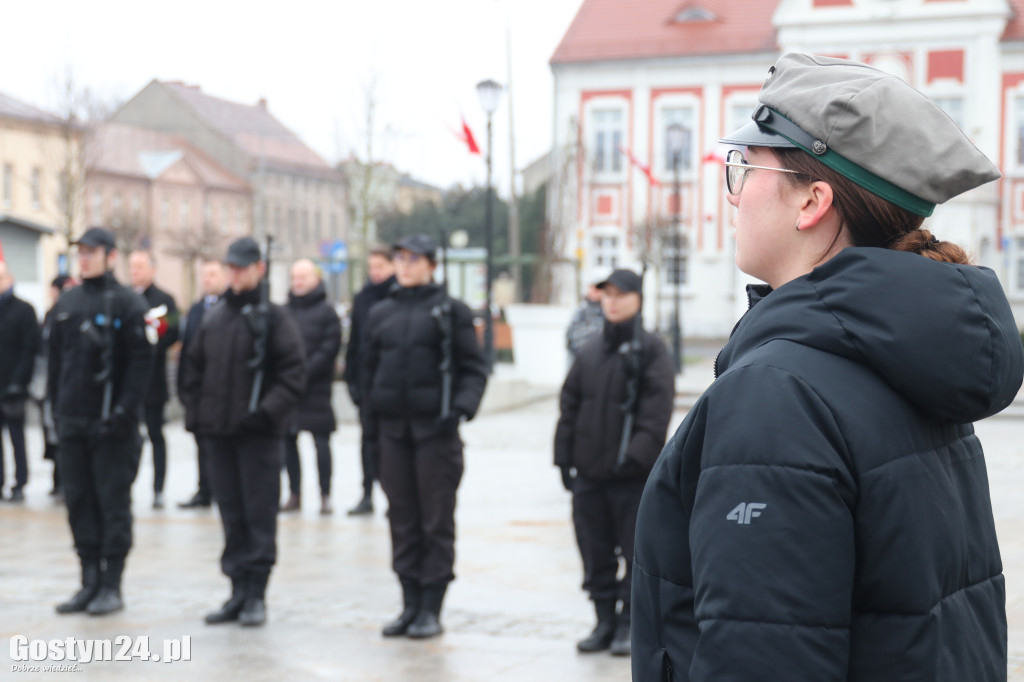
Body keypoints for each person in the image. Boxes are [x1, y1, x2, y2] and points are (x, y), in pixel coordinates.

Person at [631, 53, 1024, 682]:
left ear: (813, 200)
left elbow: (761, 657)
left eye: (746, 168)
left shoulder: (777, 392)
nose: (733, 194)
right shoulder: (906, 356)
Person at [365, 233, 487, 639]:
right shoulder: (382, 311)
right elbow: (364, 368)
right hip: (392, 432)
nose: (406, 265)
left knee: (434, 519)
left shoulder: (450, 311)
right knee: (401, 517)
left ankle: (431, 607)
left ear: (432, 265)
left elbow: (473, 368)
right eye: (400, 258)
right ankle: (409, 603)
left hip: (435, 432)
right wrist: (370, 410)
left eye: (414, 259)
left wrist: (459, 410)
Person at [180, 237, 306, 627]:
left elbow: (293, 374)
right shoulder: (216, 317)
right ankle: (236, 589)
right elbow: (193, 369)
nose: (235, 274)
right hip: (218, 434)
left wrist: (266, 413)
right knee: (231, 513)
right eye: (231, 267)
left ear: (258, 269)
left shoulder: (275, 317)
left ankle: (256, 594)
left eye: (242, 267)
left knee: (258, 514)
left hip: (258, 436)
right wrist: (196, 414)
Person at [554, 268, 674, 657]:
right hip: (589, 475)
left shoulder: (652, 350)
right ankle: (603, 619)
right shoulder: (589, 351)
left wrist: (634, 458)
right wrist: (563, 458)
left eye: (621, 294)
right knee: (594, 550)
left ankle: (627, 623)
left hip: (631, 479)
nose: (613, 301)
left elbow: (655, 413)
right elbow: (569, 406)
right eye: (607, 294)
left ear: (638, 298)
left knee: (634, 552)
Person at [48, 227, 154, 616]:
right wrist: (56, 412)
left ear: (111, 255)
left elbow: (141, 366)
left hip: (113, 427)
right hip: (73, 423)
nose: (85, 258)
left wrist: (124, 413)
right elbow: (56, 362)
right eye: (81, 252)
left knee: (112, 504)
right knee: (78, 503)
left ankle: (112, 584)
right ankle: (88, 579)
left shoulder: (128, 304)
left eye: (92, 251)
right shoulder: (68, 302)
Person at [281, 258, 342, 514]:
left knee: (321, 443)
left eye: (303, 277)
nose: (298, 282)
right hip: (289, 387)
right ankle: (294, 493)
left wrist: (306, 371)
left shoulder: (328, 312)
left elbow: (330, 347)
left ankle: (325, 494)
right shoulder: (284, 311)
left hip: (316, 387)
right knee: (288, 441)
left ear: (315, 279)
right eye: (295, 277)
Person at [343, 244, 396, 515]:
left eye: (381, 267)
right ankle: (366, 492)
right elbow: (354, 342)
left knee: (391, 443)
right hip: (366, 383)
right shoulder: (363, 297)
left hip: (391, 384)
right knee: (367, 441)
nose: (375, 273)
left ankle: (392, 495)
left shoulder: (398, 296)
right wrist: (350, 378)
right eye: (371, 267)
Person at [128, 250, 179, 509]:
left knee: (156, 434)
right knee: (126, 435)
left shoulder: (165, 300)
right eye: (132, 267)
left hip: (153, 380)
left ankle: (158, 488)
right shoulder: (125, 298)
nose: (134, 271)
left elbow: (173, 331)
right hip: (128, 383)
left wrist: (148, 347)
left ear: (152, 269)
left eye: (139, 267)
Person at [176, 259, 228, 509]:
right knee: (201, 444)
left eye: (213, 274)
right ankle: (204, 489)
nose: (208, 279)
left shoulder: (229, 307)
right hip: (200, 391)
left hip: (223, 390)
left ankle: (221, 489)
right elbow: (187, 350)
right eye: (205, 275)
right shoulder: (196, 310)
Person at [0, 260, 42, 502]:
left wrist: (18, 381)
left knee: (17, 438)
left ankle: (20, 482)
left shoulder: (24, 310)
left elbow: (30, 349)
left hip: (15, 388)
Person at [38, 275, 75, 500]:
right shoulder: (51, 314)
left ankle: (64, 482)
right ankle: (57, 480)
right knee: (52, 434)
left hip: (67, 383)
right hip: (51, 382)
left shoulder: (68, 312)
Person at [565, 280, 604, 357]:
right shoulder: (582, 310)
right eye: (592, 287)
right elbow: (572, 337)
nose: (594, 290)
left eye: (598, 288)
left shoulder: (609, 310)